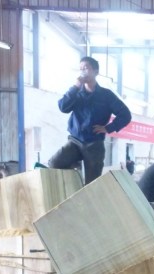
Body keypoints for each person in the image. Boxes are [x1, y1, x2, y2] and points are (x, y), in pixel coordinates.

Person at [48, 57, 132, 185]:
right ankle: (74, 173)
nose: (83, 71)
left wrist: (108, 128)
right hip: (75, 141)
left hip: (94, 144)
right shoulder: (75, 93)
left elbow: (125, 115)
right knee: (54, 163)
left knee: (92, 184)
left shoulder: (106, 95)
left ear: (96, 71)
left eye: (86, 68)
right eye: (80, 69)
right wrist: (75, 87)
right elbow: (63, 107)